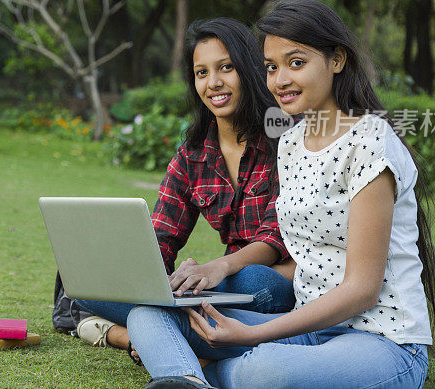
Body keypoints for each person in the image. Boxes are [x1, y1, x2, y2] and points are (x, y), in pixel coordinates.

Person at [127, 0, 435, 389]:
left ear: (337, 60)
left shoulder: (371, 142)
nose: (280, 80)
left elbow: (362, 290)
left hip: (379, 340)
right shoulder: (291, 143)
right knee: (149, 314)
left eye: (297, 63)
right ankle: (190, 379)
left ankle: (191, 374)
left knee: (265, 370)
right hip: (306, 326)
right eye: (271, 67)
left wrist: (253, 334)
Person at [75, 18, 295, 356]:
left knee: (252, 279)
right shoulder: (192, 155)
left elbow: (274, 237)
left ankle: (136, 333)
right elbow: (162, 235)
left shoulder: (284, 139)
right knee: (88, 289)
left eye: (226, 68)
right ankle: (173, 325)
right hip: (222, 289)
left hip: (276, 280)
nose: (214, 83)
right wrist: (150, 277)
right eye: (202, 73)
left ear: (250, 71)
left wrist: (214, 268)